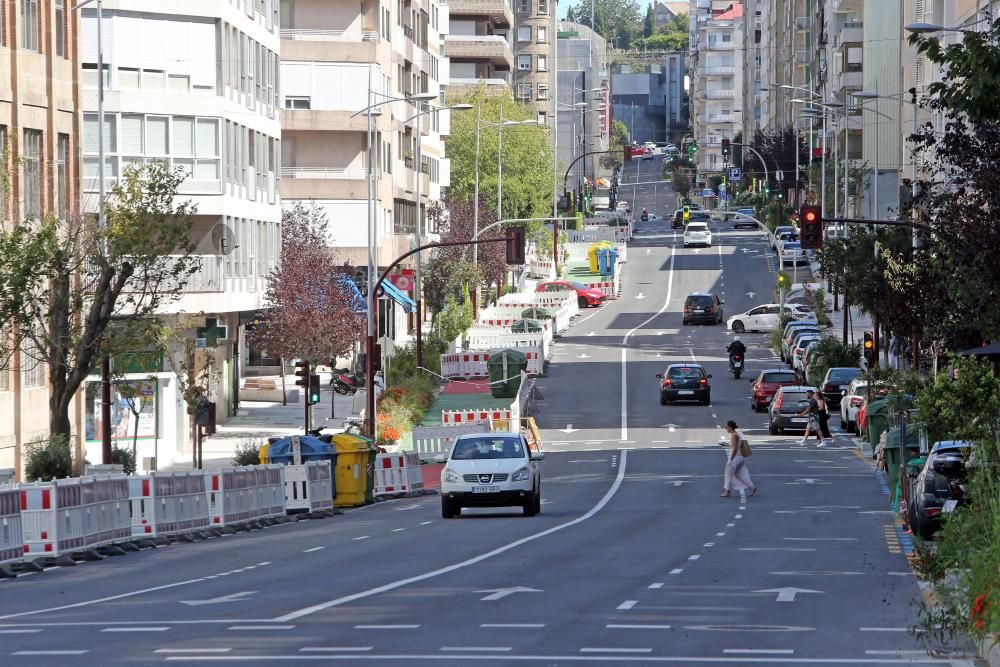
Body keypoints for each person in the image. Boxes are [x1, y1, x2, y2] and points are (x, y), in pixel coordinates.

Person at [720, 420, 756, 497]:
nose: (725, 428)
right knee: (741, 474)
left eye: (726, 427)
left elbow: (735, 448)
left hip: (735, 457)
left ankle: (727, 491)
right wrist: (726, 444)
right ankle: (752, 487)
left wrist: (731, 459)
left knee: (728, 474)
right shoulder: (736, 434)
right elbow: (734, 446)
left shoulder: (734, 435)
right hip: (740, 458)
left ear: (730, 427)